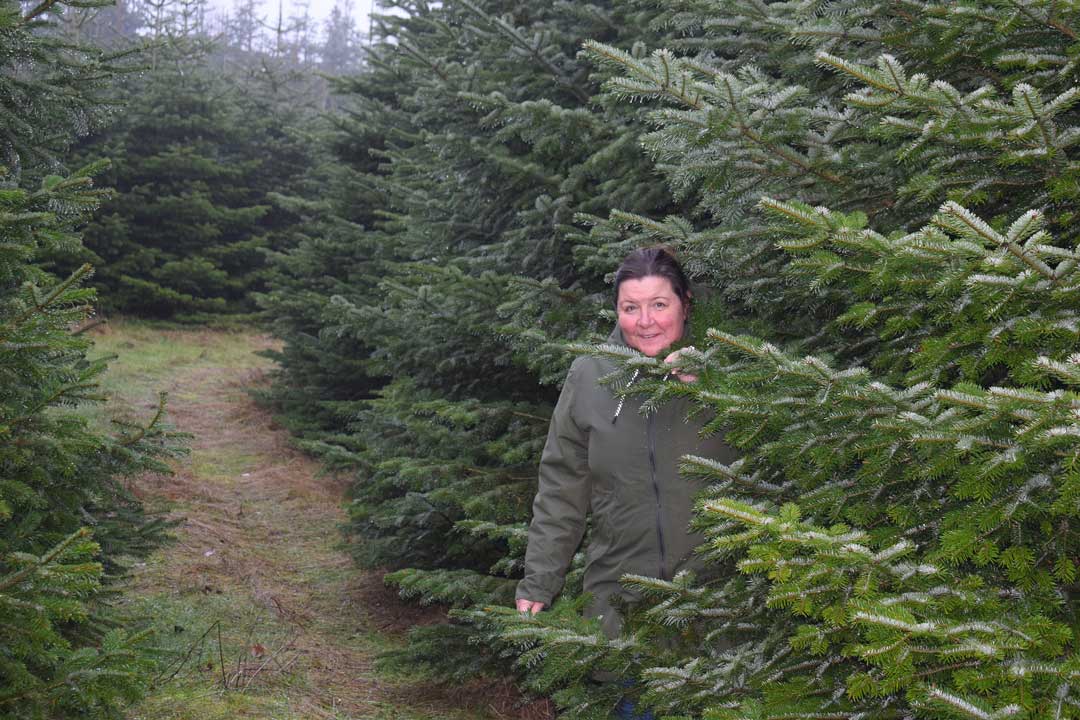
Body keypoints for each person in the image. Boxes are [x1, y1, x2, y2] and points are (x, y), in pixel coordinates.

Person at [515, 246, 740, 640]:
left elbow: (778, 455)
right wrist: (540, 580)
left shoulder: (729, 364)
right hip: (621, 603)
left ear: (685, 305)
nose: (646, 321)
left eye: (658, 304)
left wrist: (712, 388)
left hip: (722, 604)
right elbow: (561, 488)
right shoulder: (589, 376)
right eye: (630, 308)